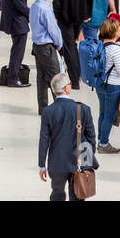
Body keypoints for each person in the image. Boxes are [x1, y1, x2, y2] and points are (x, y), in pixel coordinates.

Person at [38, 73, 98, 201]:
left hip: (57, 162)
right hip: (79, 161)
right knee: (78, 195)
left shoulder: (48, 112)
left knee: (57, 193)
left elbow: (44, 140)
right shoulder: (83, 109)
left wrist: (42, 165)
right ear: (67, 88)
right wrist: (89, 158)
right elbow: (91, 137)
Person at [52, 0, 93, 88]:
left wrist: (56, 18)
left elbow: (57, 2)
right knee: (72, 45)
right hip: (79, 17)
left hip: (65, 19)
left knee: (70, 48)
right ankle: (76, 74)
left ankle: (75, 81)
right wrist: (87, 12)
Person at [96, 18, 120, 155]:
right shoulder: (116, 50)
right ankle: (104, 143)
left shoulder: (99, 45)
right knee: (109, 115)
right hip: (113, 86)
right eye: (118, 28)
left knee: (103, 113)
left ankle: (100, 140)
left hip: (100, 84)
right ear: (114, 32)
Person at [29, 0, 64, 115]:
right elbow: (53, 29)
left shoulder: (34, 7)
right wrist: (59, 44)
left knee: (42, 78)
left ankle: (43, 108)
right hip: (47, 48)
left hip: (37, 47)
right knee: (56, 78)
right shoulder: (45, 8)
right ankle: (59, 108)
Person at [0, 0, 31, 88]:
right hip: (18, 24)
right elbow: (21, 7)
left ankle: (13, 75)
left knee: (16, 50)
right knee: (18, 52)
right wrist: (35, 15)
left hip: (12, 21)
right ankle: (13, 78)